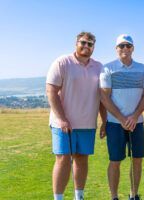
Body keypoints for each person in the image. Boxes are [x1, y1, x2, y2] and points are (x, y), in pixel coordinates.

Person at [46, 32, 105, 200]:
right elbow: (51, 91)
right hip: (63, 124)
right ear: (76, 43)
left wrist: (104, 121)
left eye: (90, 44)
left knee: (81, 159)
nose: (86, 46)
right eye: (83, 42)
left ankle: (79, 196)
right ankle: (58, 198)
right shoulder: (62, 62)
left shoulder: (99, 67)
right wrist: (62, 119)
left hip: (87, 124)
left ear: (94, 47)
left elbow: (102, 97)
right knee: (63, 159)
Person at [99, 34, 144, 200]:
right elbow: (104, 98)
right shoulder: (107, 69)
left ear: (133, 48)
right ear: (116, 49)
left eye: (128, 46)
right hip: (115, 124)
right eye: (121, 46)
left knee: (137, 160)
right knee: (115, 161)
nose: (125, 49)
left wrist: (134, 117)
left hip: (137, 123)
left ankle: (133, 195)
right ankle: (114, 197)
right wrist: (122, 119)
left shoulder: (142, 68)